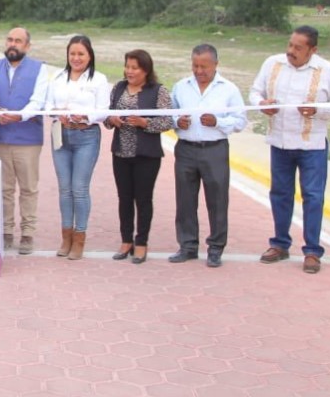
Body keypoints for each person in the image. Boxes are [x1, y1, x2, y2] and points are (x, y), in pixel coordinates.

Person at [249, 25, 330, 275]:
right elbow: (255, 92)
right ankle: (280, 244)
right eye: (290, 45)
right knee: (280, 193)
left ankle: (312, 251)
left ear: (313, 50)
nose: (291, 51)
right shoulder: (272, 64)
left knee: (313, 196)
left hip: (311, 145)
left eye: (298, 47)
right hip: (280, 142)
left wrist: (317, 110)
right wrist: (262, 104)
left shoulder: (327, 70)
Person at [169, 44, 247, 268]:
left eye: (204, 66)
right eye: (195, 66)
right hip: (186, 149)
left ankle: (215, 248)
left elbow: (240, 121)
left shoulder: (228, 89)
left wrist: (217, 122)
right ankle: (187, 246)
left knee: (217, 200)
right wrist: (177, 122)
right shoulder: (181, 87)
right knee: (185, 200)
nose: (199, 71)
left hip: (215, 149)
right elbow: (169, 114)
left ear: (216, 64)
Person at [105, 49, 173, 265]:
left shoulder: (158, 91)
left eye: (134, 68)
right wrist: (112, 120)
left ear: (146, 70)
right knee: (124, 198)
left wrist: (145, 123)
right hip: (121, 153)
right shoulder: (118, 88)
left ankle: (141, 242)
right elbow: (108, 115)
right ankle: (126, 241)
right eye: (127, 67)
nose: (129, 71)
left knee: (143, 199)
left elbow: (167, 122)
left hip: (146, 155)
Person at [47, 35, 109, 260]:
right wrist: (58, 113)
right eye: (72, 54)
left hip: (86, 136)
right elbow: (48, 106)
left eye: (81, 54)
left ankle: (80, 238)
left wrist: (85, 116)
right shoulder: (57, 77)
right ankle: (66, 237)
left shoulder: (99, 80)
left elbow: (103, 110)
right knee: (65, 189)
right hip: (61, 134)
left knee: (79, 188)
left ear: (90, 56)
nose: (76, 58)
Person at [0, 27, 50, 255]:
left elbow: (38, 101)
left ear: (27, 46)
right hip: (1, 137)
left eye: (18, 41)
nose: (12, 44)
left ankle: (27, 233)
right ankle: (6, 231)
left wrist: (19, 115)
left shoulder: (40, 69)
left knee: (28, 188)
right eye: (9, 40)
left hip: (28, 139)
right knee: (4, 188)